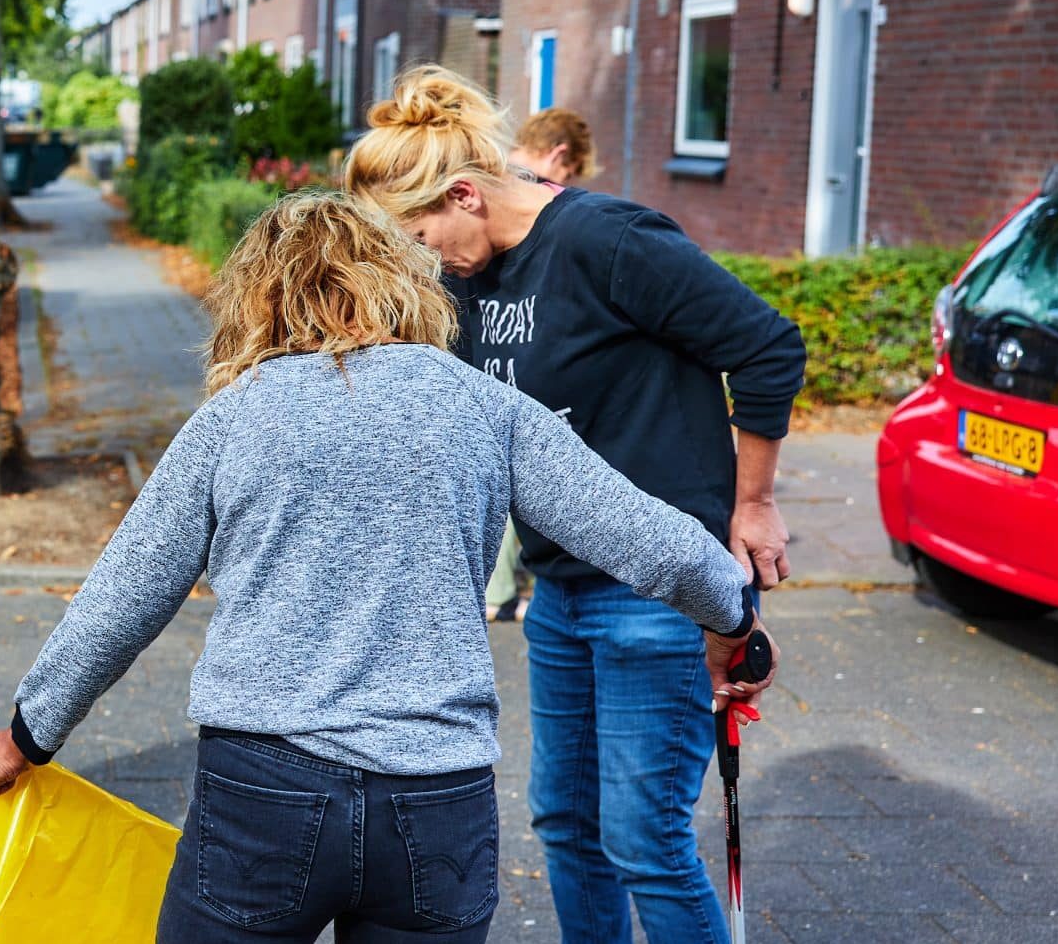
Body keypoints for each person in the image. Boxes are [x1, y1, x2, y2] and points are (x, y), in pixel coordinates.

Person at [0, 193, 775, 943]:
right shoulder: (481, 405)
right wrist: (734, 626)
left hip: (262, 794)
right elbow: (652, 539)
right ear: (399, 280)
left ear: (257, 297)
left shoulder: (231, 419)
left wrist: (26, 737)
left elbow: (122, 601)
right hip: (436, 802)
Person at [345, 67, 806, 944]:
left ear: (465, 195)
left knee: (644, 839)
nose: (419, 260)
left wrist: (752, 506)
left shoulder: (606, 243)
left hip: (655, 594)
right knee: (566, 824)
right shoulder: (465, 280)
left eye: (417, 234)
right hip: (556, 595)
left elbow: (766, 348)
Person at [488, 106, 601, 622]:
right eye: (572, 173)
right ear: (561, 156)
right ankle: (499, 595)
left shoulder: (485, 177)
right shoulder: (553, 205)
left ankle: (495, 593)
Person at [509, 106, 598, 185]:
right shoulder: (532, 197)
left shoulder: (497, 174)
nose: (563, 185)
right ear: (558, 154)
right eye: (567, 176)